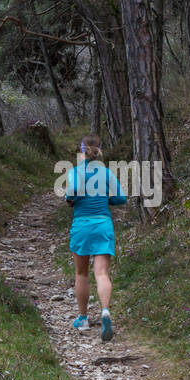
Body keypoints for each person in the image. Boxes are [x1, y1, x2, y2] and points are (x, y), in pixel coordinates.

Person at [63, 134, 127, 341]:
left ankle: (82, 318)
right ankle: (105, 311)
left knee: (81, 274)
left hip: (82, 225)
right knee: (101, 273)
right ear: (99, 150)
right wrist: (104, 197)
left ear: (81, 150)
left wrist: (72, 199)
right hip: (103, 225)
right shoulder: (106, 173)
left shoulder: (75, 172)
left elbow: (70, 196)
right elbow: (120, 198)